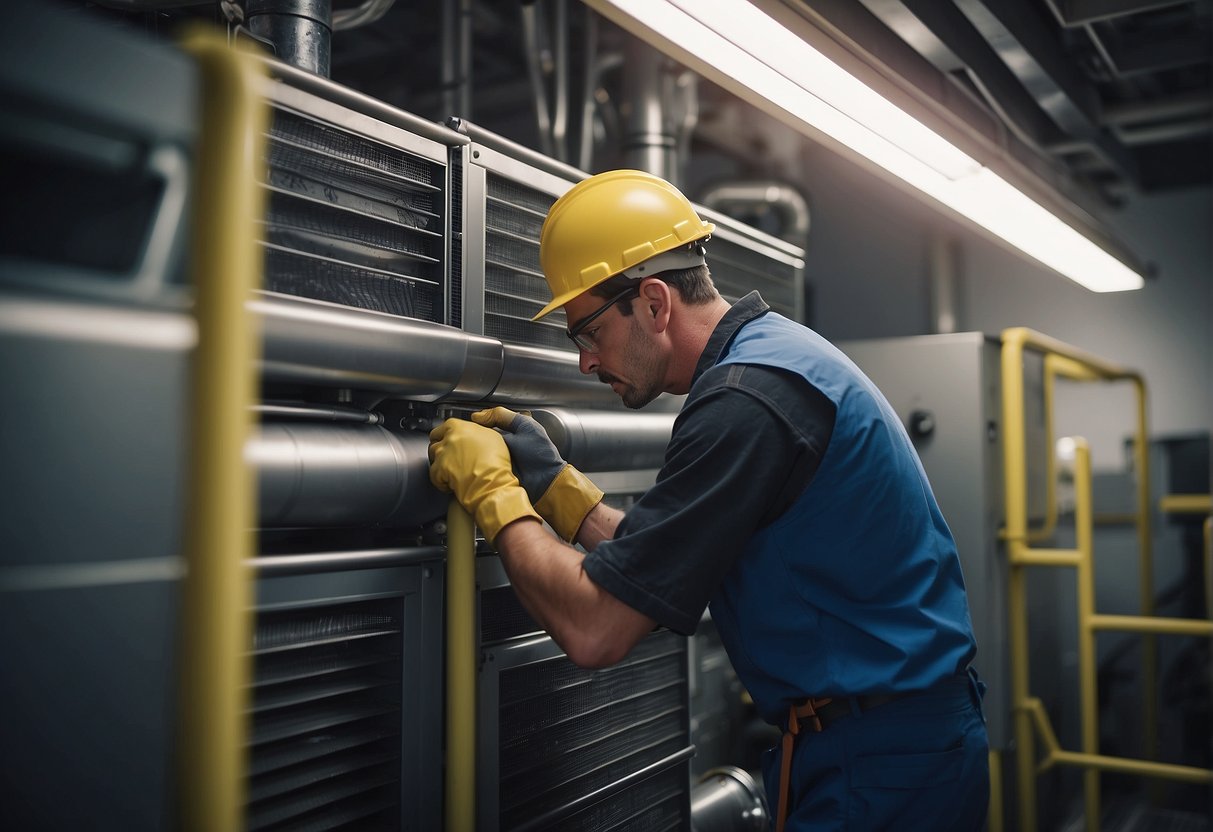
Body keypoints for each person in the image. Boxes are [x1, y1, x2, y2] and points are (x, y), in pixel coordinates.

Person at [428, 169, 990, 830]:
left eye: (587, 333)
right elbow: (662, 566)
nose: (585, 361)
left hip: (881, 761)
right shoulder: (772, 362)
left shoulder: (745, 401)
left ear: (655, 303)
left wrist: (492, 493)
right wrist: (559, 492)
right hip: (884, 743)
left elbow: (596, 628)